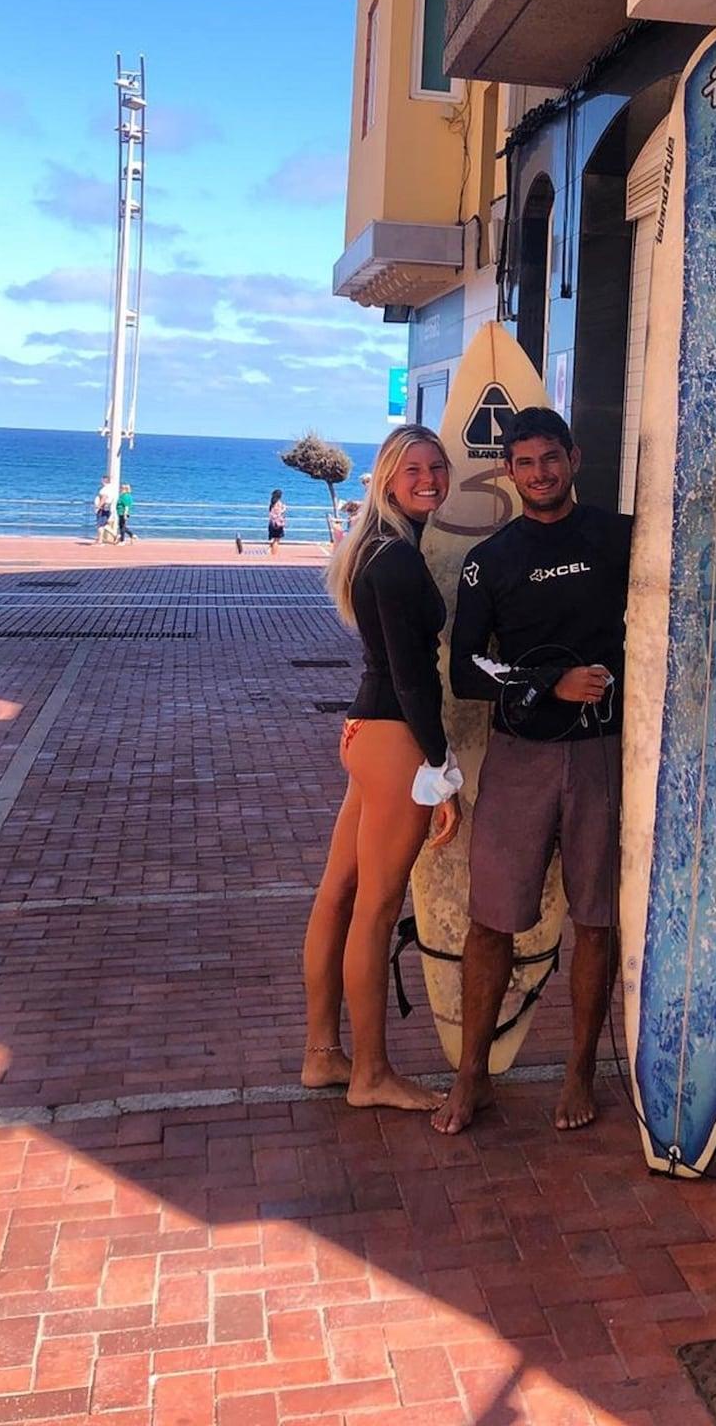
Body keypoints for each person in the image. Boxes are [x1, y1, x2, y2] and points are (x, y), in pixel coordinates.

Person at [432, 407, 716, 1137]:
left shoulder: (621, 538)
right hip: (521, 757)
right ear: (509, 472)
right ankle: (472, 1076)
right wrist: (543, 681)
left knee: (595, 920)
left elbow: (714, 575)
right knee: (491, 922)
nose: (539, 474)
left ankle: (581, 1068)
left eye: (550, 459)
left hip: (604, 754)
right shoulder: (490, 560)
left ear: (574, 458)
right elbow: (465, 670)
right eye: (524, 464)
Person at [302, 425, 462, 1109]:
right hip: (395, 738)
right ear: (389, 478)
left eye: (437, 467)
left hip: (366, 732)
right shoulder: (396, 560)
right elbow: (413, 677)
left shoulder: (375, 546)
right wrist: (440, 767)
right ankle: (369, 1074)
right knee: (374, 909)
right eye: (414, 469)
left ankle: (322, 1055)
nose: (429, 479)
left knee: (339, 894)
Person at [93, 477, 116, 543]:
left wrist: (98, 506)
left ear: (104, 481)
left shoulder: (104, 489)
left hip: (102, 508)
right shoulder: (112, 489)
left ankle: (100, 540)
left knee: (100, 525)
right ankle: (114, 534)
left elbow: (104, 498)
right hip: (107, 508)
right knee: (103, 524)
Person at [268, 488, 286, 556]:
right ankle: (274, 554)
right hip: (277, 524)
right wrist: (284, 509)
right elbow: (278, 513)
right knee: (277, 540)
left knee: (273, 538)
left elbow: (271, 513)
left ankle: (271, 550)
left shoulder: (272, 503)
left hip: (272, 523)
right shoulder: (278, 503)